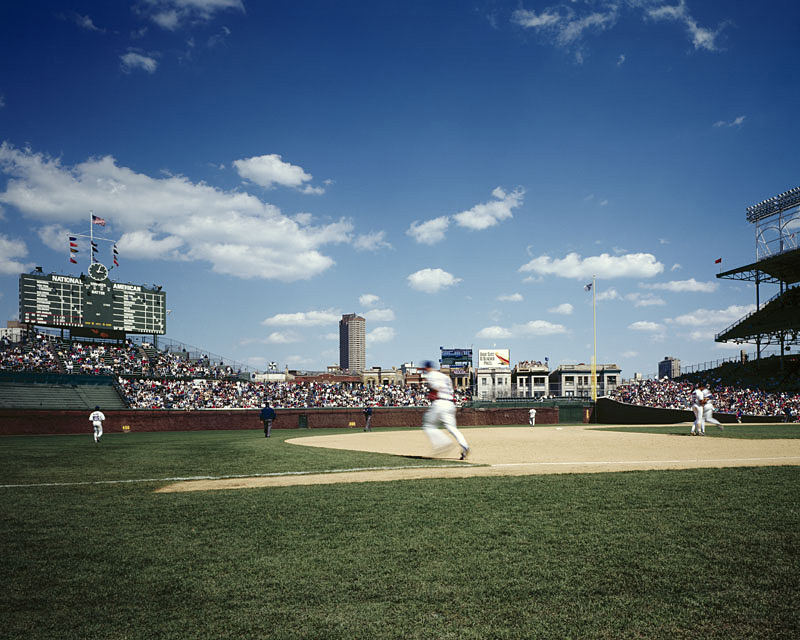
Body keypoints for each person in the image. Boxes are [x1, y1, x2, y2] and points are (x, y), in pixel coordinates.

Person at [421, 361, 470, 460]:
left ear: (427, 368)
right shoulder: (445, 377)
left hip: (440, 403)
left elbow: (436, 388)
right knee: (452, 428)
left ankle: (444, 443)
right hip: (450, 403)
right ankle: (464, 445)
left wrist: (430, 394)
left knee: (428, 425)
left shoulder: (431, 375)